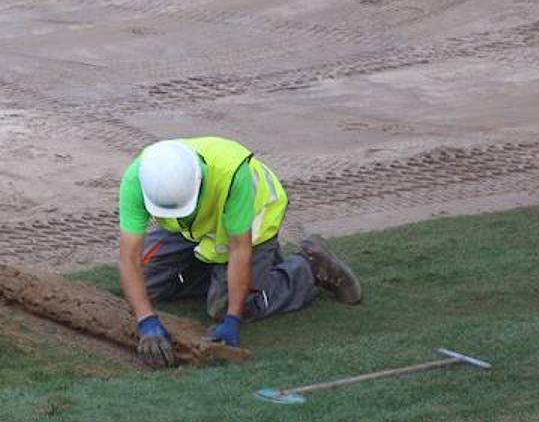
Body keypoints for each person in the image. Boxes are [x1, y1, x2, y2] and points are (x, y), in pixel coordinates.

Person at [117, 137, 361, 366]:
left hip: (253, 219)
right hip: (193, 227)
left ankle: (308, 267)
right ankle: (231, 272)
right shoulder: (139, 179)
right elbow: (129, 259)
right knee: (145, 286)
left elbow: (239, 249)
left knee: (224, 307)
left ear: (198, 181)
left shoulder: (232, 176)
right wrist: (146, 320)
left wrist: (233, 318)